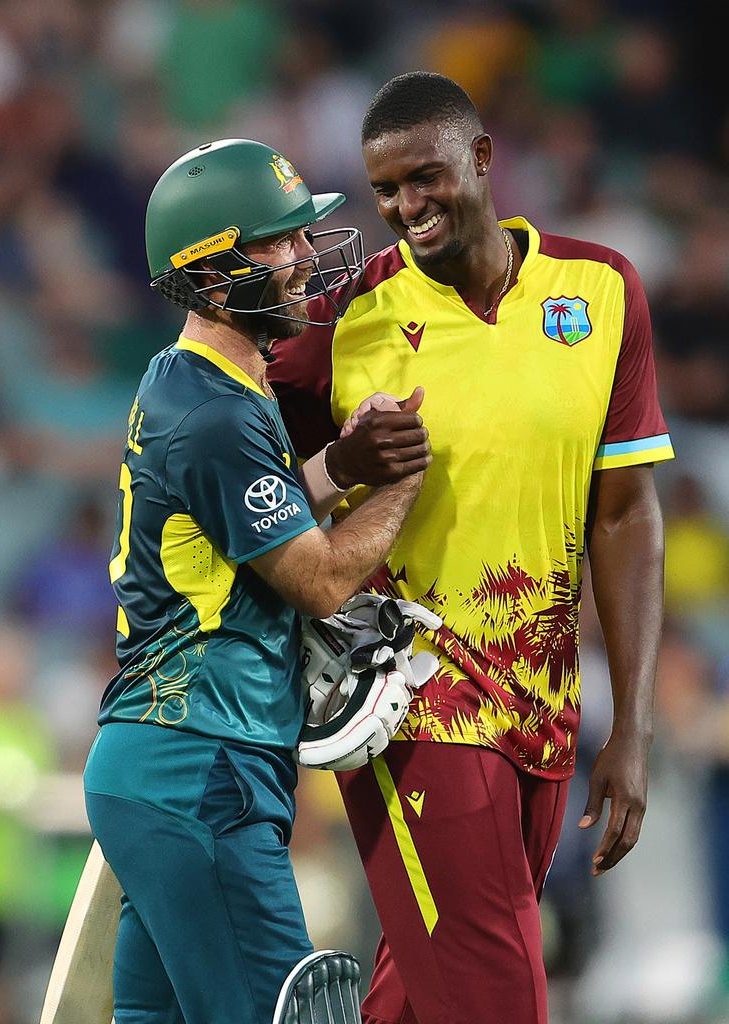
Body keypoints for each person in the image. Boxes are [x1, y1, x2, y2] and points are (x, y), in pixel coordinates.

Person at [269, 72, 675, 1024]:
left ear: (482, 157)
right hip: (409, 703)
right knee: (497, 992)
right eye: (386, 192)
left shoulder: (601, 289)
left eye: (425, 178)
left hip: (544, 708)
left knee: (426, 995)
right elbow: (232, 483)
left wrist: (637, 723)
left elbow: (624, 515)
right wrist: (337, 459)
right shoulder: (347, 316)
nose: (407, 207)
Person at [82, 137, 432, 1024]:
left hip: (166, 766)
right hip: (204, 764)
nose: (304, 259)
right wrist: (397, 485)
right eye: (276, 244)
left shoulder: (200, 381)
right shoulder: (213, 410)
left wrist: (340, 463)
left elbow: (242, 513)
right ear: (208, 272)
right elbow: (319, 582)